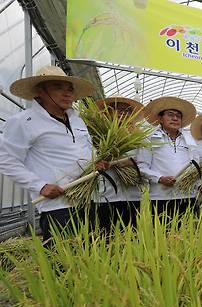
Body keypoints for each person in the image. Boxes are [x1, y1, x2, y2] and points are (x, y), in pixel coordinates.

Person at [0, 65, 105, 243]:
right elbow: (5, 159)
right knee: (64, 264)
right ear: (40, 91)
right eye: (58, 87)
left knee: (94, 257)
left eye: (70, 89)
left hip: (88, 200)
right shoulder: (24, 121)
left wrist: (95, 163)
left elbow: (87, 151)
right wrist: (40, 185)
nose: (67, 94)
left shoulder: (77, 120)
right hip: (58, 206)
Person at [137, 96, 198, 219]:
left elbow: (196, 165)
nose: (175, 118)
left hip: (187, 196)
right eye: (170, 115)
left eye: (178, 116)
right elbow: (141, 166)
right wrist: (159, 178)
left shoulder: (190, 140)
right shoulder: (150, 138)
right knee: (162, 235)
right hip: (161, 198)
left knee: (189, 234)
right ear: (160, 118)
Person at [93, 96, 146, 232]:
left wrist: (118, 162)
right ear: (107, 111)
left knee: (132, 235)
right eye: (118, 109)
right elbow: (88, 157)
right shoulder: (97, 133)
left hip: (132, 193)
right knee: (105, 235)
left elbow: (143, 160)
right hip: (106, 193)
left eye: (128, 111)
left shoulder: (137, 135)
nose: (123, 112)